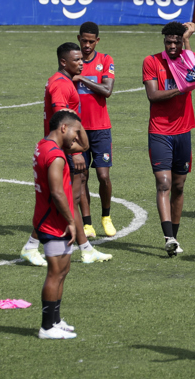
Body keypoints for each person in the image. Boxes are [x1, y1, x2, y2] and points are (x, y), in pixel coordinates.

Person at [21, 43, 112, 266]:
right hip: (62, 150)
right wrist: (76, 151)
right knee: (65, 199)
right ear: (64, 62)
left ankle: (84, 248)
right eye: (77, 59)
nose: (82, 63)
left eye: (82, 59)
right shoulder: (61, 85)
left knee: (73, 197)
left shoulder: (62, 81)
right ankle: (33, 246)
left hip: (61, 149)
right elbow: (64, 120)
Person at [142, 21, 195, 257]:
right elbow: (153, 95)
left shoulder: (189, 59)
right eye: (169, 42)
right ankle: (168, 237)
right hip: (160, 132)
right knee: (164, 183)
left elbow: (194, 72)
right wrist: (182, 88)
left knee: (179, 185)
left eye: (177, 42)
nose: (173, 46)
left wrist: (188, 38)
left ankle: (175, 237)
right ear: (163, 41)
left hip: (183, 131)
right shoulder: (152, 61)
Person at [34, 110, 88, 339]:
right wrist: (71, 222)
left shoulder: (45, 145)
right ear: (63, 128)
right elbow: (57, 193)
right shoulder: (56, 156)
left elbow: (83, 147)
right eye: (75, 132)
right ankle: (47, 327)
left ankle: (55, 320)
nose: (77, 137)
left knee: (63, 270)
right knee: (55, 273)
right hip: (54, 222)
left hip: (50, 220)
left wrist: (78, 124)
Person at [73, 22, 117, 239]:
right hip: (77, 131)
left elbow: (107, 91)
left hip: (100, 129)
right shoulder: (73, 62)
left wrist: (82, 79)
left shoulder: (105, 60)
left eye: (91, 41)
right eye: (84, 40)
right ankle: (88, 223)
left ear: (97, 41)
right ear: (79, 38)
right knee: (81, 176)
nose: (87, 45)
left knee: (103, 176)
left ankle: (106, 217)